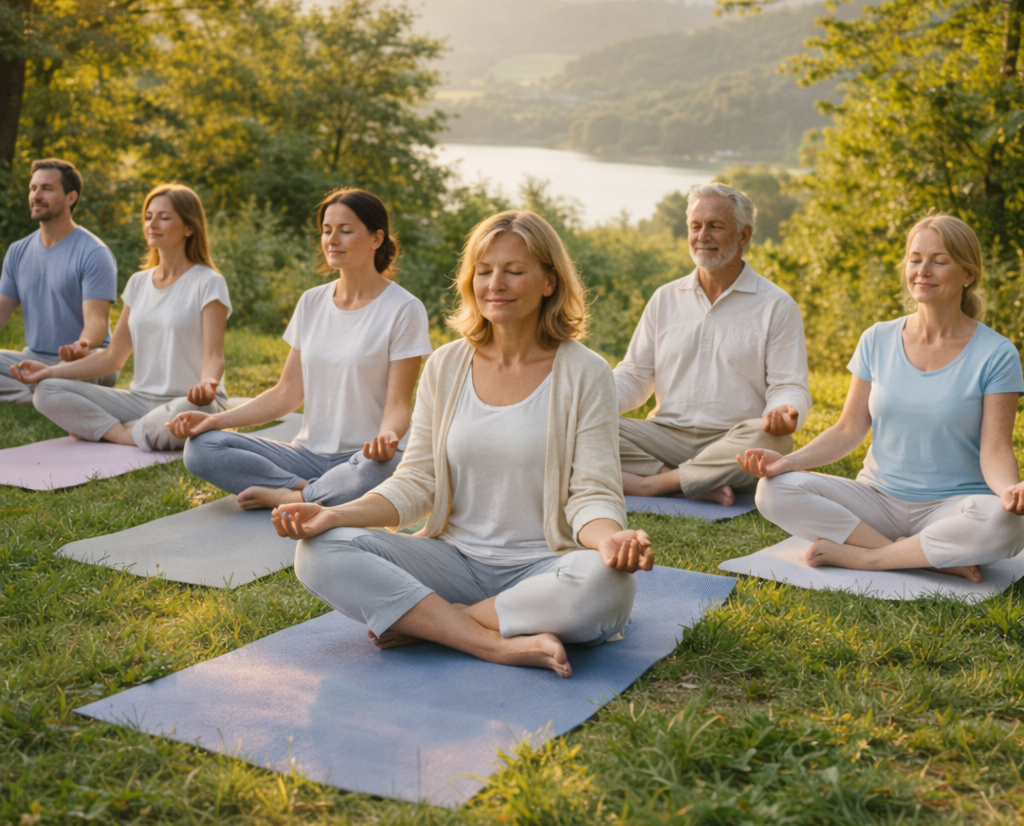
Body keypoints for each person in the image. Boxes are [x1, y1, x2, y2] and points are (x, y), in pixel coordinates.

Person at [272, 210, 654, 677]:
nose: (496, 284)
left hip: (544, 566)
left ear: (549, 282)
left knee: (606, 584)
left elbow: (592, 492)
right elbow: (416, 483)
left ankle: (429, 623)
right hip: (451, 561)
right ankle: (489, 642)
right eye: (485, 271)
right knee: (319, 549)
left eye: (514, 271)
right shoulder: (446, 365)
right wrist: (337, 514)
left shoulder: (586, 371)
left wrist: (609, 537)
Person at [741, 214, 1024, 582]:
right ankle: (918, 555)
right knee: (772, 490)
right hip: (876, 498)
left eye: (940, 260)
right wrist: (787, 463)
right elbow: (848, 429)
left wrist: (1011, 492)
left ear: (968, 274)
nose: (923, 270)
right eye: (915, 258)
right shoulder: (877, 339)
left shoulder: (997, 354)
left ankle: (867, 558)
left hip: (951, 508)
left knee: (1008, 524)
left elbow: (996, 450)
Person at [168, 188, 433, 509]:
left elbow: (399, 406)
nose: (332, 240)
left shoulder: (404, 308)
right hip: (306, 455)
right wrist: (213, 421)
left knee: (388, 469)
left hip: (366, 458)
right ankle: (304, 490)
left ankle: (293, 497)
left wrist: (387, 439)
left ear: (376, 239)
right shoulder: (312, 301)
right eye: (326, 230)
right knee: (200, 448)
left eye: (346, 231)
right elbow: (286, 393)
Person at [614, 182, 811, 506]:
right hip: (665, 436)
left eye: (715, 226)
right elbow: (635, 375)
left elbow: (789, 386)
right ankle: (682, 482)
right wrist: (592, 400)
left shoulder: (777, 305)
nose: (702, 236)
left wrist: (786, 410)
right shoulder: (665, 298)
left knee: (773, 441)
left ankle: (651, 484)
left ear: (743, 235)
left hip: (733, 441)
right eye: (696, 226)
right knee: (580, 426)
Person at [11, 184, 231, 451]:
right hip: (140, 400)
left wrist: (207, 385)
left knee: (189, 412)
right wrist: (48, 371)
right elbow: (113, 357)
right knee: (47, 389)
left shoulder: (208, 282)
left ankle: (111, 429)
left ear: (189, 227)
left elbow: (213, 357)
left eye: (164, 217)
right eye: (149, 216)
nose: (152, 223)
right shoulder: (138, 283)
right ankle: (128, 434)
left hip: (192, 400)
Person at [0, 159, 118, 404]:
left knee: (75, 376)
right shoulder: (18, 251)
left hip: (85, 362)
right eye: (33, 189)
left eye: (47, 189)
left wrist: (81, 346)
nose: (36, 195)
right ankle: (41, 390)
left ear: (70, 197)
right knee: (50, 384)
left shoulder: (94, 252)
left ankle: (40, 389)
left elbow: (96, 322)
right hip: (33, 357)